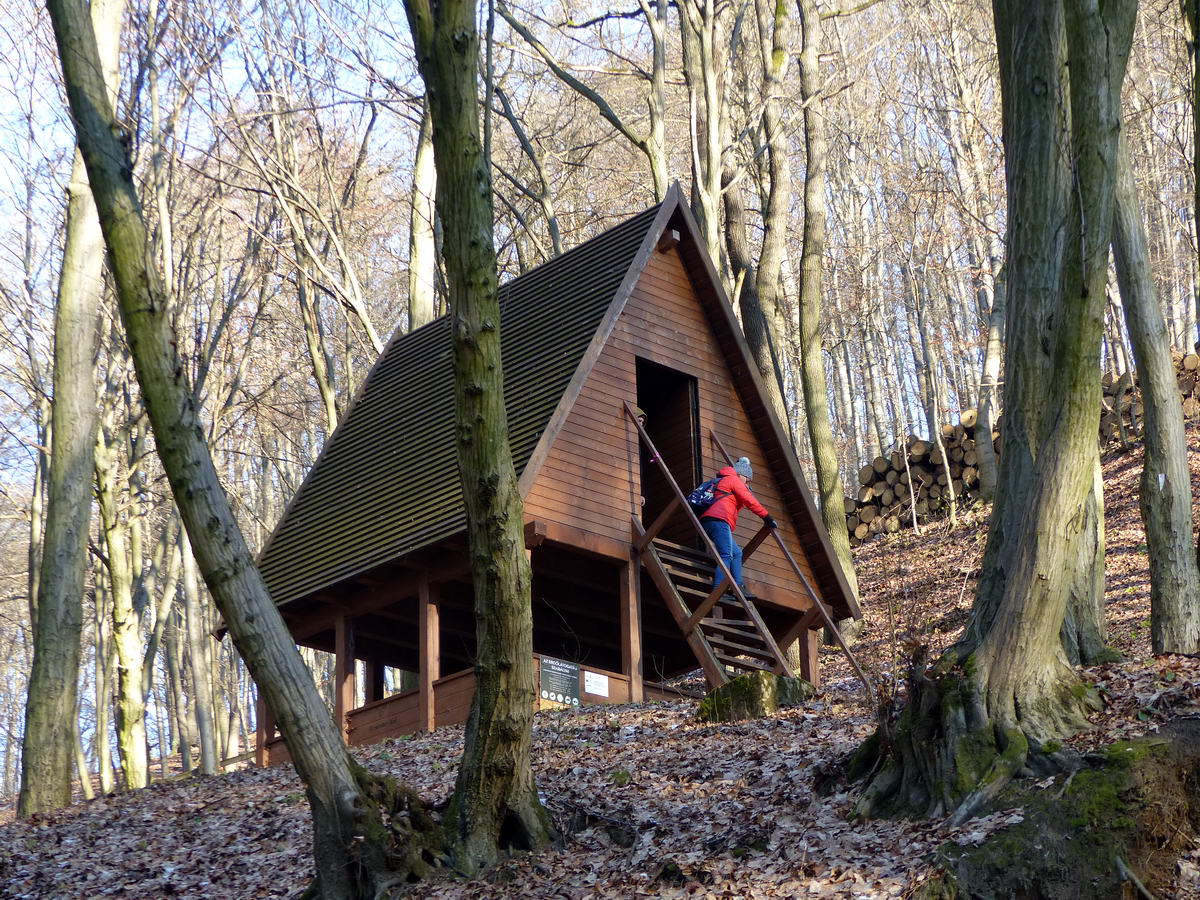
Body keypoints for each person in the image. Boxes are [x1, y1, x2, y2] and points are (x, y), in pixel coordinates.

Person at [699, 456, 776, 598]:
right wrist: (767, 517)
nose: (748, 482)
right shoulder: (733, 479)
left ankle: (738, 587)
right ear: (741, 474)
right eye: (747, 478)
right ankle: (717, 591)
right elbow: (750, 501)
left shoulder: (727, 480)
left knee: (737, 553)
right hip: (719, 520)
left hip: (713, 521)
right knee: (726, 554)